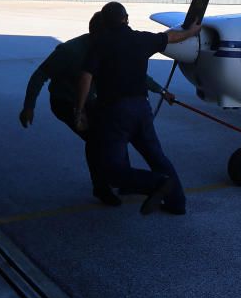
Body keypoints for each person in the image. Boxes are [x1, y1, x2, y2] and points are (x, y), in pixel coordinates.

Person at [19, 12, 176, 207]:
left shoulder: (110, 47)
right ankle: (102, 188)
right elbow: (39, 75)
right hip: (65, 102)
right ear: (98, 33)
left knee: (113, 134)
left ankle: (125, 180)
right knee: (96, 140)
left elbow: (133, 74)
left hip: (92, 101)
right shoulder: (70, 51)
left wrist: (161, 90)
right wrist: (29, 107)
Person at [75, 2, 200, 215]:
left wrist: (79, 110)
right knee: (156, 156)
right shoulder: (142, 39)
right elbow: (169, 37)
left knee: (112, 170)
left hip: (115, 113)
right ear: (126, 18)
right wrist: (191, 32)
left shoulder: (99, 43)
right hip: (142, 109)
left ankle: (156, 183)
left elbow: (86, 77)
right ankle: (177, 202)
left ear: (104, 21)